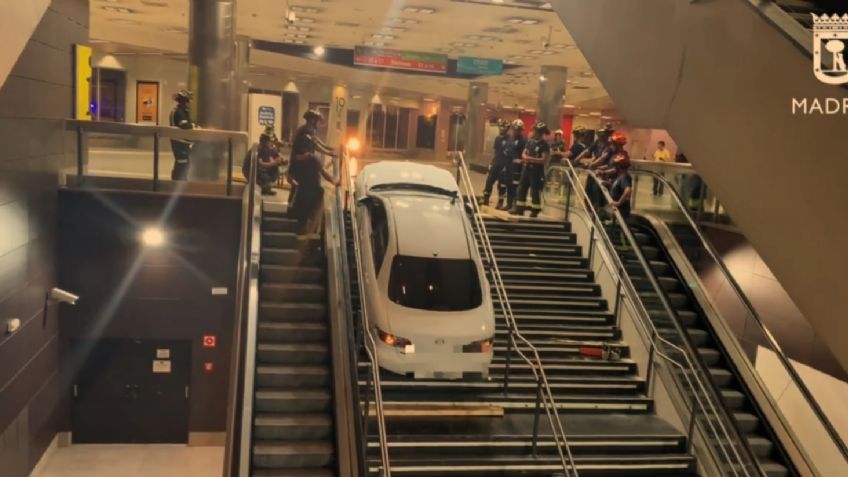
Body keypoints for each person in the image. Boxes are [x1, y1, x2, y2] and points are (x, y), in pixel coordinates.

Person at [288, 109, 339, 237]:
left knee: (313, 194)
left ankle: (303, 224)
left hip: (306, 171)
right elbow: (313, 147)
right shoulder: (304, 134)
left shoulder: (309, 132)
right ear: (312, 121)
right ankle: (301, 226)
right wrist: (328, 153)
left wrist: (330, 149)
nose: (318, 124)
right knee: (310, 195)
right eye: (317, 121)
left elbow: (318, 143)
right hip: (303, 171)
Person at [511, 122, 551, 218]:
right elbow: (524, 152)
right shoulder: (530, 141)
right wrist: (525, 157)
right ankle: (519, 209)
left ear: (540, 133)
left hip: (536, 171)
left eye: (535, 131)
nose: (533, 132)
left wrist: (531, 159)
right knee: (522, 188)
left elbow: (544, 160)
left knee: (534, 191)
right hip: (526, 169)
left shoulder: (544, 144)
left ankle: (535, 210)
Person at [243, 126, 284, 195]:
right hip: (251, 169)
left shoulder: (272, 149)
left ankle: (265, 187)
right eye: (270, 141)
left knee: (275, 171)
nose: (272, 143)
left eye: (272, 141)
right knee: (264, 176)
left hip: (262, 169)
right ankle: (258, 185)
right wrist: (273, 163)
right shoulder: (259, 149)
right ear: (265, 141)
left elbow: (278, 159)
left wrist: (280, 161)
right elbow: (260, 164)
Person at [482, 119, 512, 209]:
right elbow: (496, 152)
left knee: (502, 185)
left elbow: (509, 154)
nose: (501, 129)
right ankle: (486, 199)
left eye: (503, 128)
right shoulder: (497, 138)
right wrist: (492, 162)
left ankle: (500, 202)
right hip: (496, 163)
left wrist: (507, 166)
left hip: (504, 165)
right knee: (489, 181)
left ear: (507, 129)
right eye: (500, 127)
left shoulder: (509, 140)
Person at [169, 90, 196, 180]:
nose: (190, 103)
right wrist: (194, 126)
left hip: (181, 141)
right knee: (182, 162)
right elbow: (185, 125)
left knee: (184, 162)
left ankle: (179, 180)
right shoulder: (179, 111)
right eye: (189, 101)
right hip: (180, 142)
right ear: (185, 101)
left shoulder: (181, 110)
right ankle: (178, 180)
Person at [503, 119, 528, 211]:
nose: (516, 131)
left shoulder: (524, 140)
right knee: (509, 185)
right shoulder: (510, 139)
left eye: (518, 129)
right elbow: (507, 150)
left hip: (518, 168)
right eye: (514, 129)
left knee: (515, 187)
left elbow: (526, 153)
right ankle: (509, 204)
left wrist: (520, 160)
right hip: (509, 165)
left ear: (521, 130)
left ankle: (515, 205)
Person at [608, 151, 633, 220]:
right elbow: (618, 187)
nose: (614, 167)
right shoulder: (620, 176)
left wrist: (619, 202)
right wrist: (609, 184)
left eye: (616, 165)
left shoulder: (624, 176)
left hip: (622, 209)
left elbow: (628, 190)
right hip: (618, 209)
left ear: (619, 166)